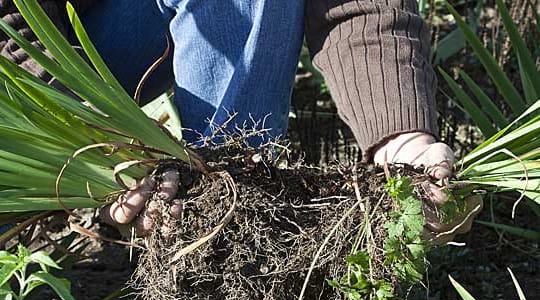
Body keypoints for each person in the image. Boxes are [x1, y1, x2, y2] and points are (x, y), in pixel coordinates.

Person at [0, 0, 481, 240]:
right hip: (33, 47)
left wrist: (402, 135)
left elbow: (357, 3)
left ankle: (219, 219)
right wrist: (79, 141)